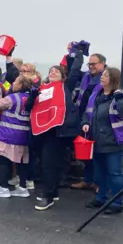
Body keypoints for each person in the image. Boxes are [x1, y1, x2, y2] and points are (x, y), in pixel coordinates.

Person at [25, 66, 80, 210]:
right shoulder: (41, 88)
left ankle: (48, 196)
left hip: (57, 131)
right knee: (48, 163)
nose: (53, 72)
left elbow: (74, 71)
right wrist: (33, 91)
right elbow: (28, 106)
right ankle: (53, 191)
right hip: (42, 131)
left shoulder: (65, 87)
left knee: (48, 164)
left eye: (56, 71)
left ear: (63, 76)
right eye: (50, 71)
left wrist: (77, 53)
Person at [82, 67, 123, 214]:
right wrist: (85, 123)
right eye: (102, 75)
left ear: (113, 79)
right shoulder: (95, 95)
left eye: (106, 75)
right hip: (97, 141)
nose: (102, 77)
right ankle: (101, 198)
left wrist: (120, 98)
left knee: (114, 173)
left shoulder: (119, 97)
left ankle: (117, 203)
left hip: (114, 142)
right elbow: (87, 113)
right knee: (100, 173)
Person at [67, 50, 105, 192]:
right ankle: (88, 180)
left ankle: (98, 183)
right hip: (82, 119)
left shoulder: (106, 78)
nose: (91, 66)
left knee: (97, 154)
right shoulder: (86, 77)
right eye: (89, 64)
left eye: (93, 64)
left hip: (97, 122)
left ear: (102, 64)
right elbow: (73, 73)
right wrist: (73, 54)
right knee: (85, 153)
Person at [0, 76, 32, 198]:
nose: (13, 83)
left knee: (3, 160)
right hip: (24, 135)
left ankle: (3, 188)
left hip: (7, 134)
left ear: (20, 85)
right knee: (21, 162)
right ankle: (23, 188)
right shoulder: (29, 98)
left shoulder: (12, 98)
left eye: (15, 82)